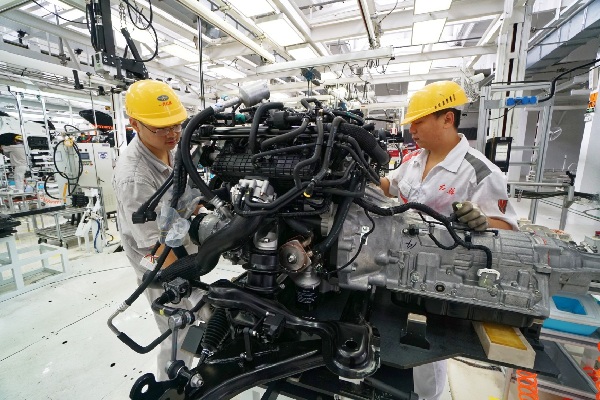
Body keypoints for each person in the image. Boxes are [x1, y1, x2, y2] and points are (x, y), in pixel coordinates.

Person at [380, 81, 518, 400]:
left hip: (441, 277)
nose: (412, 129)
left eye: (419, 121)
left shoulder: (481, 172)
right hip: (398, 264)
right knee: (394, 336)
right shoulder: (415, 160)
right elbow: (389, 186)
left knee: (426, 348)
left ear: (447, 119)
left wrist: (482, 221)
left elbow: (509, 228)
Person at [113, 80, 206, 381]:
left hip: (180, 245)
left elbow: (191, 194)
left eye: (176, 125)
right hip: (155, 259)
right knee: (177, 327)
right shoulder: (134, 177)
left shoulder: (174, 149)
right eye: (161, 128)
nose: (173, 133)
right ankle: (171, 385)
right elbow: (154, 247)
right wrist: (186, 276)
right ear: (134, 124)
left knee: (201, 314)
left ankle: (200, 363)